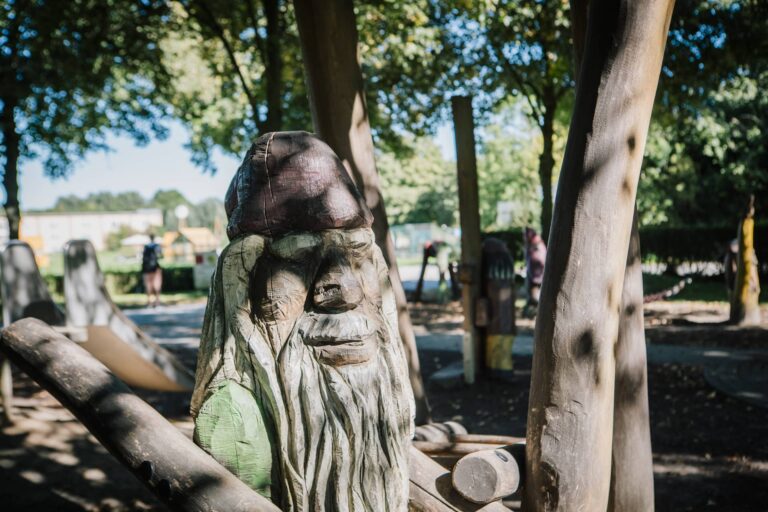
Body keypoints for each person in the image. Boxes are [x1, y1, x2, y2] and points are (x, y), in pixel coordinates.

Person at [524, 227, 547, 317]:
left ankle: (536, 314)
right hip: (533, 275)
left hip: (536, 277)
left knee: (535, 297)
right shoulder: (533, 244)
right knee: (533, 296)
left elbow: (538, 260)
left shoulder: (537, 245)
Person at [141, 234, 163, 307]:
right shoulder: (157, 246)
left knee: (148, 285)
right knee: (157, 284)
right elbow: (160, 255)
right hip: (155, 267)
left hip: (146, 268)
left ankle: (149, 302)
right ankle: (157, 302)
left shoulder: (146, 246)